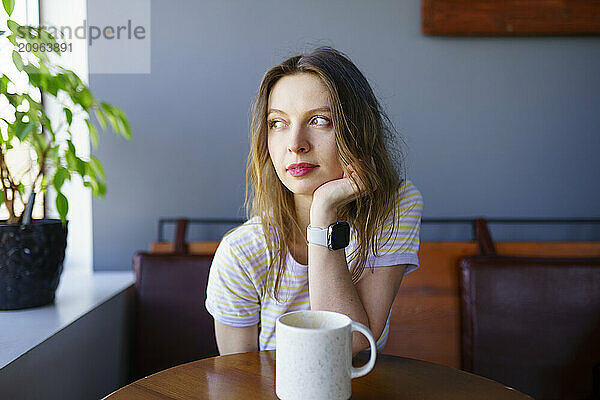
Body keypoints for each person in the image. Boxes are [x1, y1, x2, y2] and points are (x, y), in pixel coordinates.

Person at [205, 47, 423, 356]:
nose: (295, 144)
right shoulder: (242, 253)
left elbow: (350, 343)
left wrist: (324, 213)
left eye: (319, 120)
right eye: (278, 123)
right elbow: (236, 381)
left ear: (357, 130)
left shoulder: (394, 207)